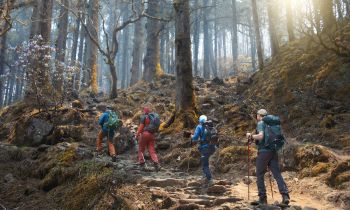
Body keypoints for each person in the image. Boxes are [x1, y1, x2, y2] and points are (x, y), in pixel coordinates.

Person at [246, 109, 290, 205]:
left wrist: (251, 136)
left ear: (259, 115)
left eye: (257, 115)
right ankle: (285, 195)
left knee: (260, 174)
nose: (256, 117)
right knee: (277, 174)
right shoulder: (272, 124)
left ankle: (262, 198)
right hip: (273, 151)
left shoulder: (261, 123)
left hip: (264, 152)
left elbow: (261, 137)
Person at [191, 115, 216, 187]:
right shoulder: (211, 127)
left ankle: (210, 179)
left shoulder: (199, 127)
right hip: (212, 147)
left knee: (205, 165)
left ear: (199, 121)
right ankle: (205, 178)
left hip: (205, 148)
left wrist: (191, 136)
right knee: (206, 163)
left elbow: (195, 138)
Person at [136, 107, 160, 171]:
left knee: (141, 149)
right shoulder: (154, 117)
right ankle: (156, 163)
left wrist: (137, 135)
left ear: (145, 111)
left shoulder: (145, 117)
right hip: (152, 135)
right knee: (152, 150)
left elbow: (141, 127)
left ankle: (142, 164)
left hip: (145, 134)